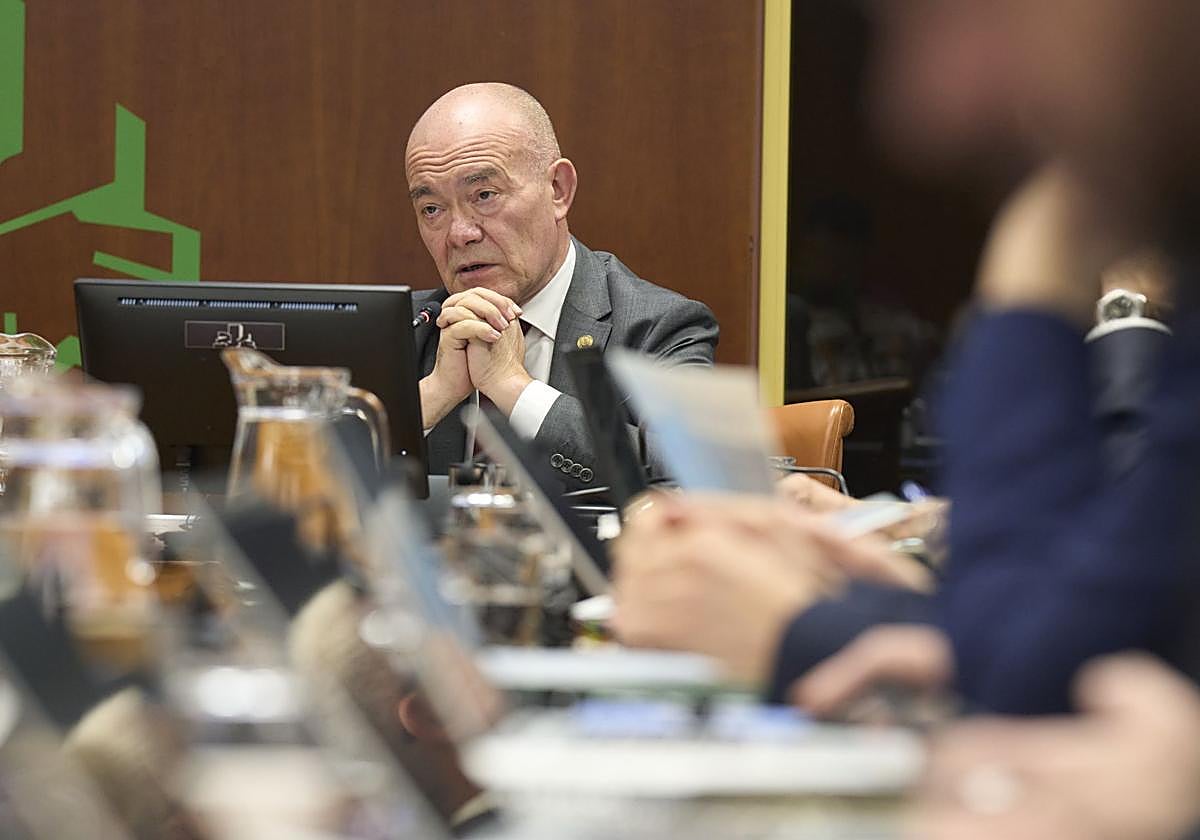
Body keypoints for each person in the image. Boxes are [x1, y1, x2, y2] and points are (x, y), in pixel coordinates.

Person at [405, 83, 719, 487]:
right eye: (432, 209)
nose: (459, 234)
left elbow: (694, 475)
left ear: (558, 190)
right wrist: (433, 395)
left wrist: (514, 389)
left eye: (484, 194)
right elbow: (316, 486)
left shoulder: (657, 326)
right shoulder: (408, 330)